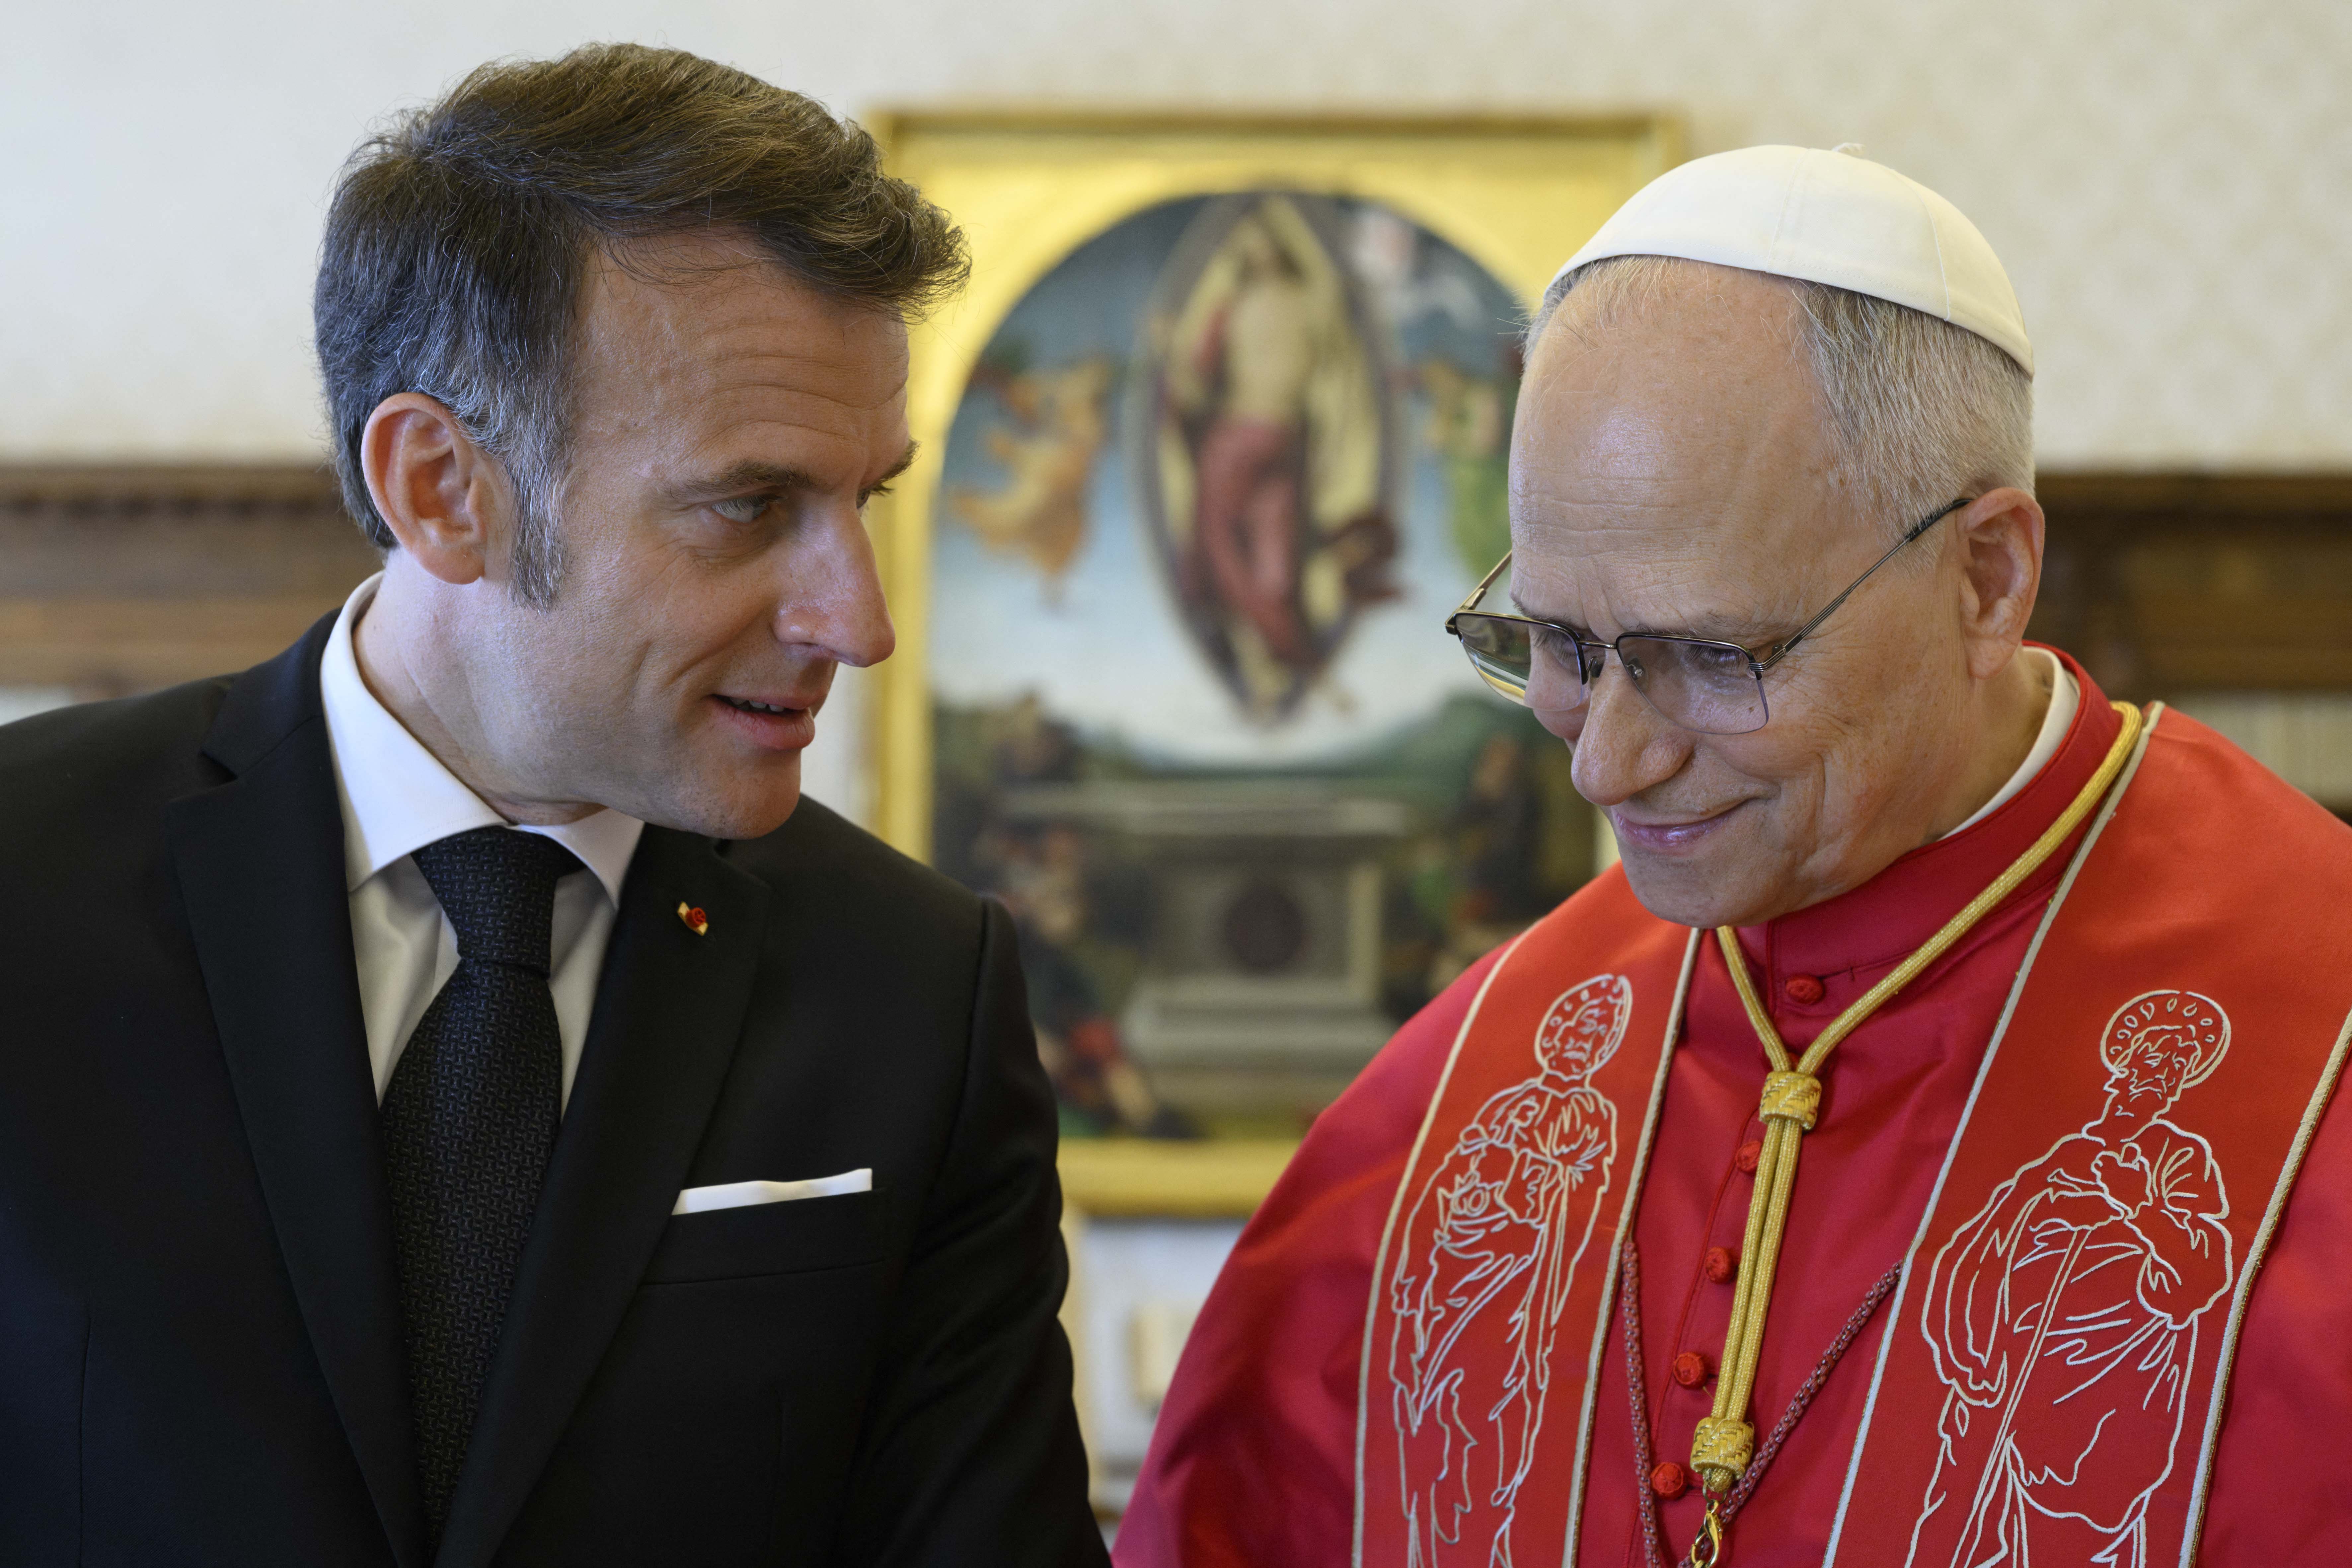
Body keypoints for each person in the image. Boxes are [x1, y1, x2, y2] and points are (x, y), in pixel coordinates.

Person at [1116, 146, 2352, 1568]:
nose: (1604, 765)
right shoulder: (1471, 1085)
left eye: (1713, 657)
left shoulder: (2315, 1032)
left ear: (1985, 579)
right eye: (1558, 645)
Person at [0, 45, 1104, 1568]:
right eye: (748, 505)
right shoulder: (22, 880)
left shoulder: (918, 994)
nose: (857, 622)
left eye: (868, 499)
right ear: (441, 487)